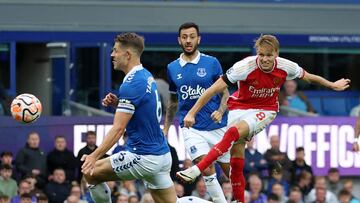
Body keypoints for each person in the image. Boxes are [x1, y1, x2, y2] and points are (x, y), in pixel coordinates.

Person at [176, 34, 350, 203]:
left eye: (269, 55)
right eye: (261, 54)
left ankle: (196, 169)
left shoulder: (286, 66)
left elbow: (310, 77)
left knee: (232, 133)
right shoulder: (243, 67)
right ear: (256, 53)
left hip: (266, 110)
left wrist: (332, 85)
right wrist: (192, 112)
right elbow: (213, 89)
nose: (265, 59)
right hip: (239, 106)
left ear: (276, 54)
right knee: (236, 160)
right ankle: (239, 200)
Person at [80, 32, 177, 203]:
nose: (112, 55)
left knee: (90, 171)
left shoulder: (131, 83)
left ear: (127, 54)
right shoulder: (145, 74)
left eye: (115, 50)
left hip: (143, 156)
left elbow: (118, 130)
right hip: (162, 155)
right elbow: (143, 110)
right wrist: (119, 103)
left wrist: (93, 156)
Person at [163, 22, 230, 203]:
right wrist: (166, 128)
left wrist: (220, 109)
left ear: (198, 39)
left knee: (231, 172)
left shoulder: (212, 63)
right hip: (191, 127)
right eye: (184, 37)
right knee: (206, 166)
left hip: (218, 126)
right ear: (179, 40)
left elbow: (225, 93)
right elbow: (173, 101)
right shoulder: (172, 68)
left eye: (192, 36)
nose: (188, 40)